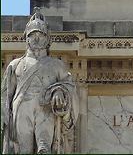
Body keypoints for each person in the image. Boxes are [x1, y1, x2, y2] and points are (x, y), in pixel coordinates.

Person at [1, 9, 79, 153]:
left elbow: (69, 87)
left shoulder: (57, 65)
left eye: (40, 35)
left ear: (47, 39)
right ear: (27, 38)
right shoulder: (15, 65)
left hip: (46, 110)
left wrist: (60, 92)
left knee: (44, 148)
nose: (36, 39)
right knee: (24, 150)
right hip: (21, 111)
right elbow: (5, 97)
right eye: (32, 35)